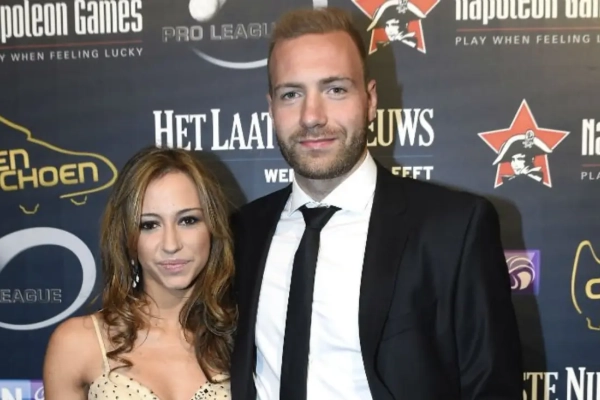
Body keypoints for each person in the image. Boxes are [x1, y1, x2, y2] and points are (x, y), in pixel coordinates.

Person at [230, 7, 523, 400]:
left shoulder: (454, 228)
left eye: (335, 89)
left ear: (369, 100)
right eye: (291, 94)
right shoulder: (243, 232)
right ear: (271, 108)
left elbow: (491, 389)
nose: (312, 116)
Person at [43, 146, 236, 400]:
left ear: (212, 226)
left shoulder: (245, 337)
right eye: (149, 225)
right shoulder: (78, 342)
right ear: (127, 238)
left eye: (188, 220)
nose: (171, 244)